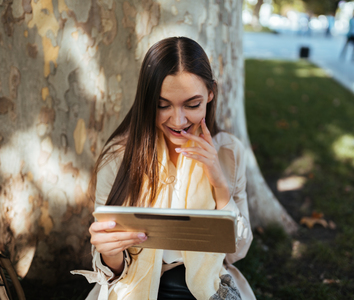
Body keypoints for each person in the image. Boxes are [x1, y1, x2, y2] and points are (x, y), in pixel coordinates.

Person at [72, 36, 255, 300]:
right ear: (148, 101)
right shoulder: (120, 156)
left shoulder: (228, 152)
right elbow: (111, 269)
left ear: (211, 94)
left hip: (206, 288)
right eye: (162, 105)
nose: (178, 120)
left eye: (192, 105)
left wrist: (219, 184)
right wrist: (109, 253)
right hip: (135, 285)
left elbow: (237, 252)